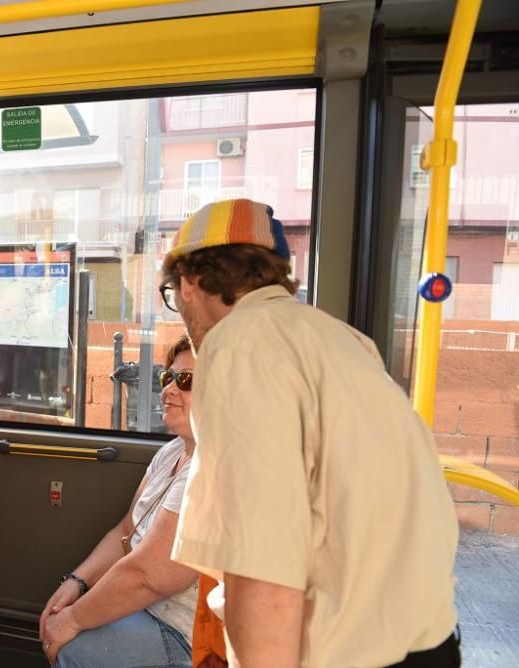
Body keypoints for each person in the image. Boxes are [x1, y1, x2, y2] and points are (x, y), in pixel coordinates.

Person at [162, 199, 460, 667]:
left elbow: (260, 564)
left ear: (189, 281)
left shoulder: (237, 347)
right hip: (430, 642)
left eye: (172, 295)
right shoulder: (343, 339)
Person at [39, 334, 200, 667]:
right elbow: (126, 531)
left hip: (180, 634)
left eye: (185, 380)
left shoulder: (212, 471)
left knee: (73, 646)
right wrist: (76, 582)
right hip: (142, 607)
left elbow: (147, 576)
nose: (169, 389)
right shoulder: (171, 453)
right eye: (166, 377)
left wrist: (74, 620)